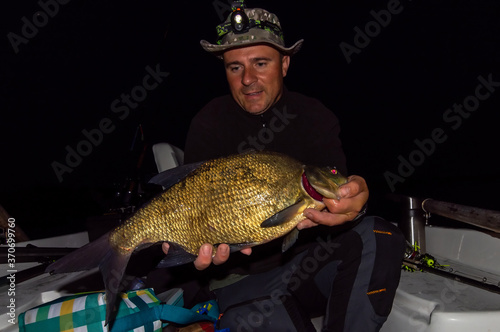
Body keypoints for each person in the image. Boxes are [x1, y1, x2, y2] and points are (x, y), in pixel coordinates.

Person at [161, 2, 405, 331]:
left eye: (261, 63)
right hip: (237, 279)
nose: (248, 79)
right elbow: (196, 212)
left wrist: (350, 202)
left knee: (380, 232)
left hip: (307, 266)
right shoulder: (208, 123)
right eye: (235, 67)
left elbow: (335, 192)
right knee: (269, 317)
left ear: (285, 64)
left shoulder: (315, 116)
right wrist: (190, 245)